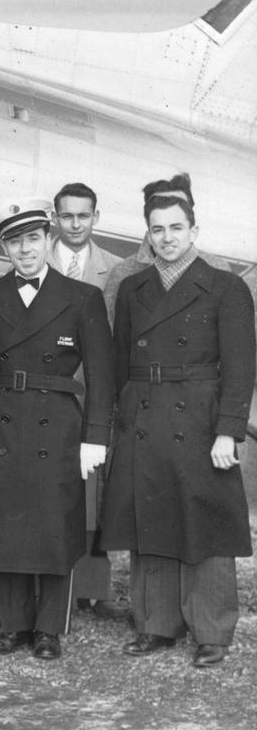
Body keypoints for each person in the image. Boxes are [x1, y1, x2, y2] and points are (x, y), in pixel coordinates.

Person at [100, 174, 254, 668]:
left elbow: (241, 367)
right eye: (157, 229)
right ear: (146, 233)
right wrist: (121, 422)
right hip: (144, 413)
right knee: (152, 521)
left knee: (205, 522)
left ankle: (212, 631)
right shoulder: (132, 288)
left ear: (194, 229)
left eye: (176, 227)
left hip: (202, 417)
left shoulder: (226, 287)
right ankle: (156, 624)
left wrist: (229, 429)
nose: (167, 237)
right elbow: (121, 361)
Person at [0, 197, 114, 661]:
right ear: (4, 247)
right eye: (14, 241)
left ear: (49, 239)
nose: (24, 250)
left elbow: (102, 376)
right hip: (1, 420)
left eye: (32, 239)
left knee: (53, 528)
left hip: (58, 428)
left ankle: (49, 629)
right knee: (10, 526)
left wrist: (96, 436)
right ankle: (14, 626)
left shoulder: (82, 297)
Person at [48, 181, 125, 619]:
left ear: (96, 218)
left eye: (84, 215)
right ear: (55, 219)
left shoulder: (115, 271)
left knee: (95, 493)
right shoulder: (32, 259)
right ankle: (48, 580)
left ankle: (94, 591)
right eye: (67, 215)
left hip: (92, 397)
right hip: (45, 398)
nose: (75, 223)